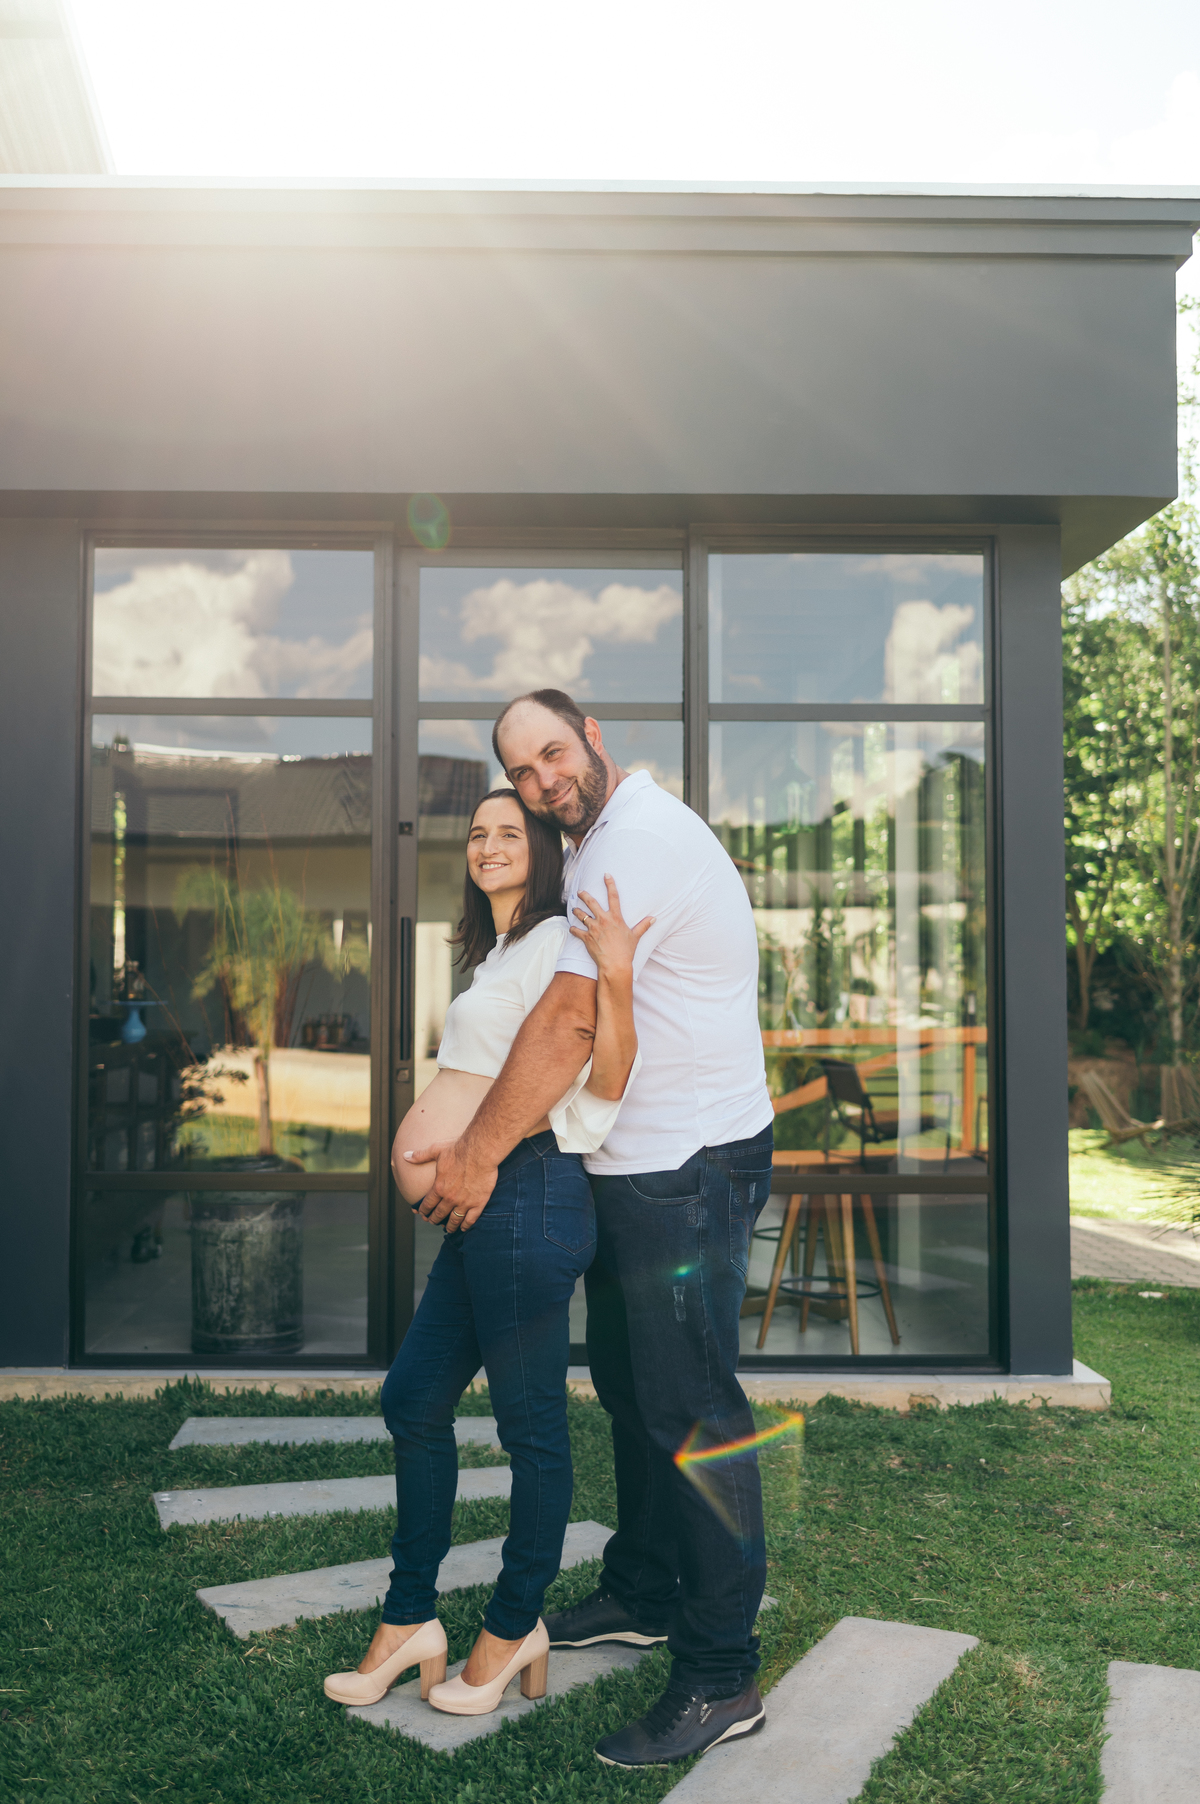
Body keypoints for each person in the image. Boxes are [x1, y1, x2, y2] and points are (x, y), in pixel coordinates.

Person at [409, 689, 774, 1768]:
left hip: (687, 1169)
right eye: (521, 770)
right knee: (630, 1390)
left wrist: (473, 1158)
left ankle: (719, 1674)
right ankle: (644, 1589)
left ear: (595, 740)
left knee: (694, 1409)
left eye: (554, 753)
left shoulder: (636, 841)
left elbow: (569, 1021)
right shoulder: (595, 844)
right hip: (631, 1170)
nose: (541, 780)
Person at [322, 786, 648, 1719]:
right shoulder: (500, 951)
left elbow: (606, 1068)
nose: (489, 844)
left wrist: (617, 974)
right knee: (414, 1399)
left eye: (511, 831)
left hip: (530, 1198)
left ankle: (513, 1628)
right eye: (477, 833)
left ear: (545, 850)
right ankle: (410, 1619)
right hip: (480, 1211)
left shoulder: (558, 940)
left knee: (530, 1429)